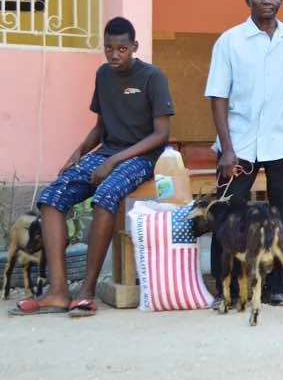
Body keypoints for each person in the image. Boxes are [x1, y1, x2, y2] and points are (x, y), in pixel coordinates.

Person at [11, 17, 174, 317]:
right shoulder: (104, 75)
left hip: (141, 157)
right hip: (106, 152)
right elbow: (101, 127)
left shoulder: (153, 77)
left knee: (105, 196)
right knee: (51, 199)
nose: (114, 55)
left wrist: (113, 161)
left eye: (122, 48)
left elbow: (161, 134)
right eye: (109, 48)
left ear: (134, 47)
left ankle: (86, 290)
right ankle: (58, 291)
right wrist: (79, 152)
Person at [205, 0, 283, 307]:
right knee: (226, 214)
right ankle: (225, 289)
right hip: (239, 145)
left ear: (281, 1)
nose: (266, 0)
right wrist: (226, 148)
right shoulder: (230, 41)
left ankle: (276, 286)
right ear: (247, 0)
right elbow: (218, 96)